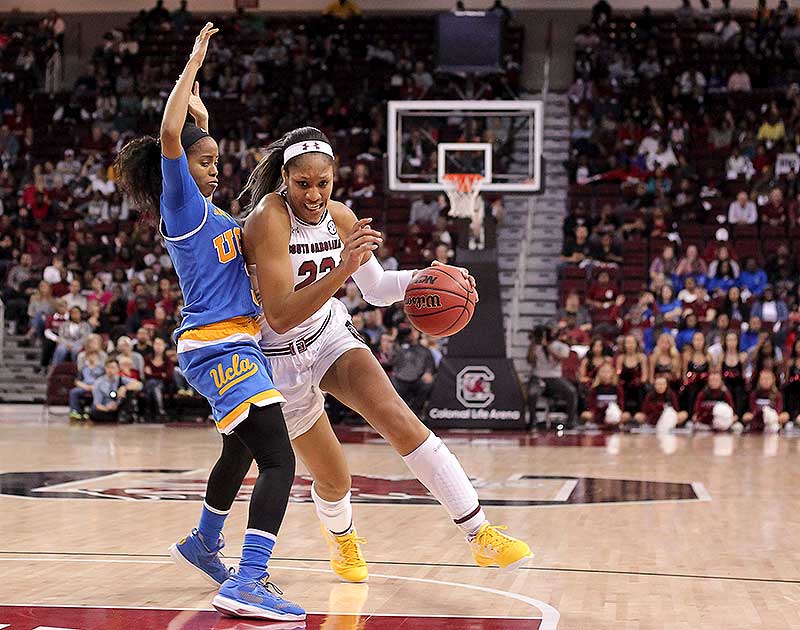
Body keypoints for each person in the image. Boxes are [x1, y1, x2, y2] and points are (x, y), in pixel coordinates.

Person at [186, 125, 531, 588]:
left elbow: (378, 289)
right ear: (284, 179)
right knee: (334, 479)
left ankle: (479, 532)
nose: (314, 194)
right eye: (303, 183)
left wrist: (426, 277)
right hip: (274, 359)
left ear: (334, 179)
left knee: (398, 417)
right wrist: (343, 268)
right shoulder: (268, 217)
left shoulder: (341, 217)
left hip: (329, 338)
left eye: (323, 183)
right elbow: (282, 314)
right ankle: (342, 538)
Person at [113, 24, 304, 621]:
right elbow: (172, 133)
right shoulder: (181, 204)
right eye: (207, 161)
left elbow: (191, 130)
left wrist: (201, 110)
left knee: (241, 453)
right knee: (280, 459)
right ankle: (249, 579)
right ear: (180, 167)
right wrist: (192, 63)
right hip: (222, 350)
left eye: (219, 161)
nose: (217, 169)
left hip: (225, 344)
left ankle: (203, 541)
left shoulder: (212, 211)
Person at [89, 358, 143, 422]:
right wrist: (107, 408)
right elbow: (97, 404)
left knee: (130, 392)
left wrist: (124, 388)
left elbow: (139, 385)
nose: (110, 370)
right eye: (108, 367)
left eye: (113, 368)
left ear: (118, 369)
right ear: (105, 368)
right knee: (94, 414)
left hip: (120, 408)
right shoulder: (98, 383)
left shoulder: (121, 379)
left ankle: (123, 416)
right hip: (105, 409)